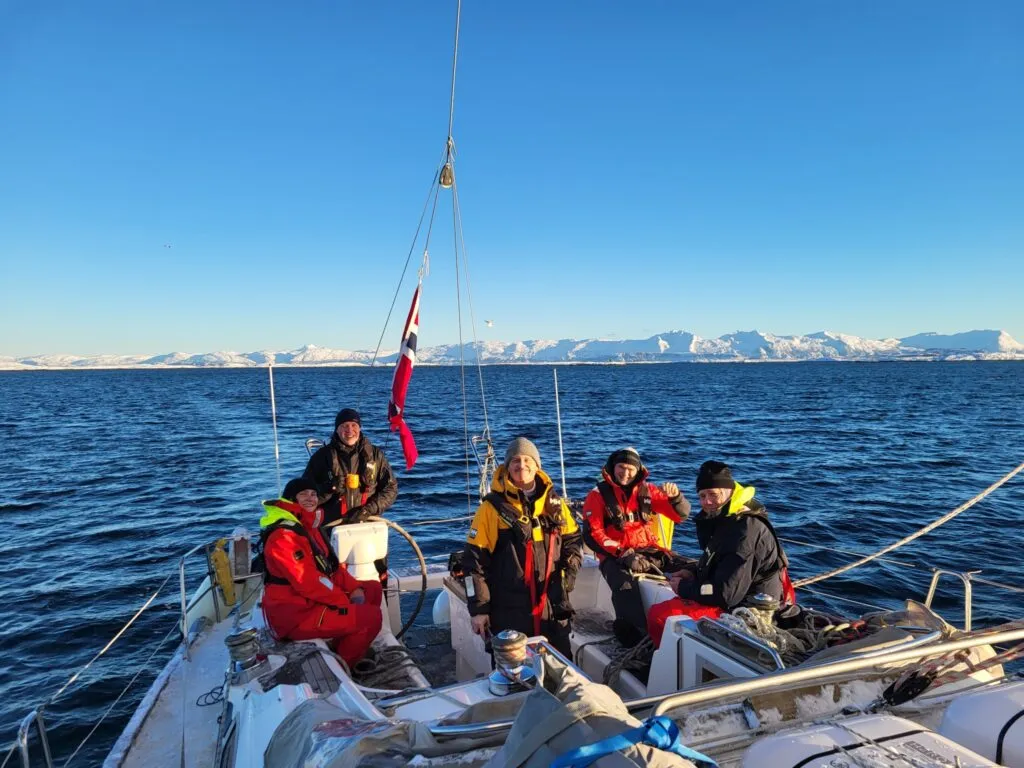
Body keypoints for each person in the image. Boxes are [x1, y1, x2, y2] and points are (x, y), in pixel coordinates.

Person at [647, 460, 796, 648]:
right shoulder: (728, 519)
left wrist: (684, 587)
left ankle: (665, 671)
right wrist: (693, 572)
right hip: (734, 598)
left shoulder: (745, 530)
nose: (707, 502)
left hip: (747, 611)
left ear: (730, 492)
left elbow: (726, 594)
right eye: (702, 496)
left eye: (713, 494)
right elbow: (723, 563)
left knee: (661, 616)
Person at [462, 437, 583, 659]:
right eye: (515, 460)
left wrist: (569, 570)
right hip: (508, 610)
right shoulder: (491, 510)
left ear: (537, 466)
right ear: (507, 466)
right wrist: (479, 610)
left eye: (528, 460)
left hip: (553, 607)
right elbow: (473, 564)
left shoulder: (554, 504)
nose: (522, 465)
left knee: (561, 672)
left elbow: (573, 539)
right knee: (513, 678)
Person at [259, 477, 383, 666]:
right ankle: (345, 665)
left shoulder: (309, 527)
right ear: (292, 499)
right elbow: (308, 582)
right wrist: (343, 601)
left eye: (313, 494)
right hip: (296, 615)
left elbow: (332, 568)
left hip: (312, 603)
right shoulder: (283, 537)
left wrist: (355, 587)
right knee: (371, 618)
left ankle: (345, 644)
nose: (310, 498)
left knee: (372, 589)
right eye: (303, 494)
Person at [582, 447, 691, 644]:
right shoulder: (598, 495)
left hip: (648, 549)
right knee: (625, 588)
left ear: (638, 470)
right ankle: (635, 640)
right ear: (612, 468)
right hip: (614, 556)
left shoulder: (647, 492)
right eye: (621, 467)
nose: (625, 472)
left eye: (630, 468)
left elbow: (680, 516)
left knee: (693, 566)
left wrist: (676, 497)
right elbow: (594, 533)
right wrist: (623, 553)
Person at [304, 408, 398, 527]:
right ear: (337, 430)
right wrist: (329, 487)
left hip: (368, 524)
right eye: (344, 425)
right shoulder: (321, 457)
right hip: (332, 528)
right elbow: (305, 495)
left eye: (354, 425)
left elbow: (391, 489)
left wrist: (368, 510)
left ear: (360, 428)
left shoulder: (375, 455)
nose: (349, 430)